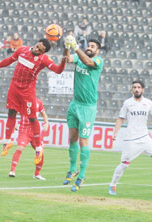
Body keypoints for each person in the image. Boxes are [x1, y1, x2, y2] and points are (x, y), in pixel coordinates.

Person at [0, 38, 67, 166]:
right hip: (14, 86)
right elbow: (8, 61)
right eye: (37, 46)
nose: (37, 49)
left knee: (32, 118)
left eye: (40, 50)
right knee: (11, 113)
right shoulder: (22, 50)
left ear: (43, 52)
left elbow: (58, 70)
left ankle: (39, 148)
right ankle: (7, 141)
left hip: (28, 90)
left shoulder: (44, 59)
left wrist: (63, 61)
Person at [108, 80, 152, 196]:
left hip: (145, 138)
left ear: (143, 89)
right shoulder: (128, 103)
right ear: (132, 90)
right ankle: (112, 185)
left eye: (139, 87)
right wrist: (115, 132)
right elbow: (120, 118)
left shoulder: (148, 103)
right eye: (134, 87)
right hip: (131, 139)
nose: (136, 89)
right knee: (124, 164)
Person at [62, 36, 104, 192]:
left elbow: (88, 62)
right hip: (75, 104)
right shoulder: (78, 58)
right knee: (72, 136)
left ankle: (82, 175)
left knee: (83, 140)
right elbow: (66, 58)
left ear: (97, 50)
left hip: (88, 108)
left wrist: (75, 47)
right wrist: (67, 46)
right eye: (89, 45)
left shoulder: (98, 61)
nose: (90, 47)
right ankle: (73, 170)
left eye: (93, 46)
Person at [5, 97, 49, 180]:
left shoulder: (39, 102)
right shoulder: (22, 101)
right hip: (24, 130)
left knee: (40, 153)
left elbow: (44, 115)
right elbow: (13, 113)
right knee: (20, 148)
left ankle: (37, 174)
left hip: (35, 131)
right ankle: (12, 170)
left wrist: (46, 123)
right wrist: (13, 124)